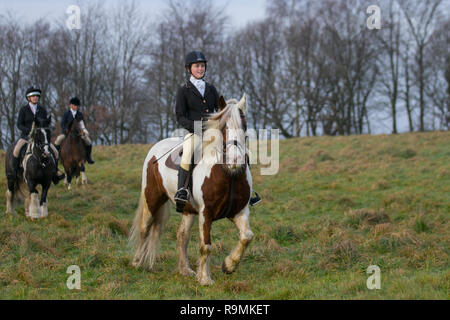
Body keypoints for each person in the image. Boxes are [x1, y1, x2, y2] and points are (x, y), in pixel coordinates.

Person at [174, 51, 261, 211]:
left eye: (202, 66)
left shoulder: (211, 89)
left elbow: (219, 110)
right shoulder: (183, 90)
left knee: (243, 152)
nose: (200, 69)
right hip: (194, 132)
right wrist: (196, 127)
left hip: (214, 133)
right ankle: (183, 190)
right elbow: (180, 116)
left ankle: (248, 191)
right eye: (197, 66)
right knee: (188, 152)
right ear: (189, 69)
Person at [12, 86, 65, 184]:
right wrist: (29, 131)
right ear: (29, 98)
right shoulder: (24, 110)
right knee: (16, 151)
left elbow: (45, 123)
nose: (35, 98)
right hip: (26, 137)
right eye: (33, 96)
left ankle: (55, 172)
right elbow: (19, 124)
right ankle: (15, 173)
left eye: (37, 96)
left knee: (55, 152)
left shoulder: (42, 110)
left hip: (40, 139)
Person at [54, 97, 95, 164]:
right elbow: (62, 124)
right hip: (66, 133)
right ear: (70, 105)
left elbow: (82, 124)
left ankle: (88, 157)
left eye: (77, 105)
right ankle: (57, 157)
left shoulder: (80, 114)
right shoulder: (66, 114)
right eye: (74, 105)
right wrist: (65, 130)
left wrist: (84, 131)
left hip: (78, 133)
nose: (76, 107)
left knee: (88, 142)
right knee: (58, 140)